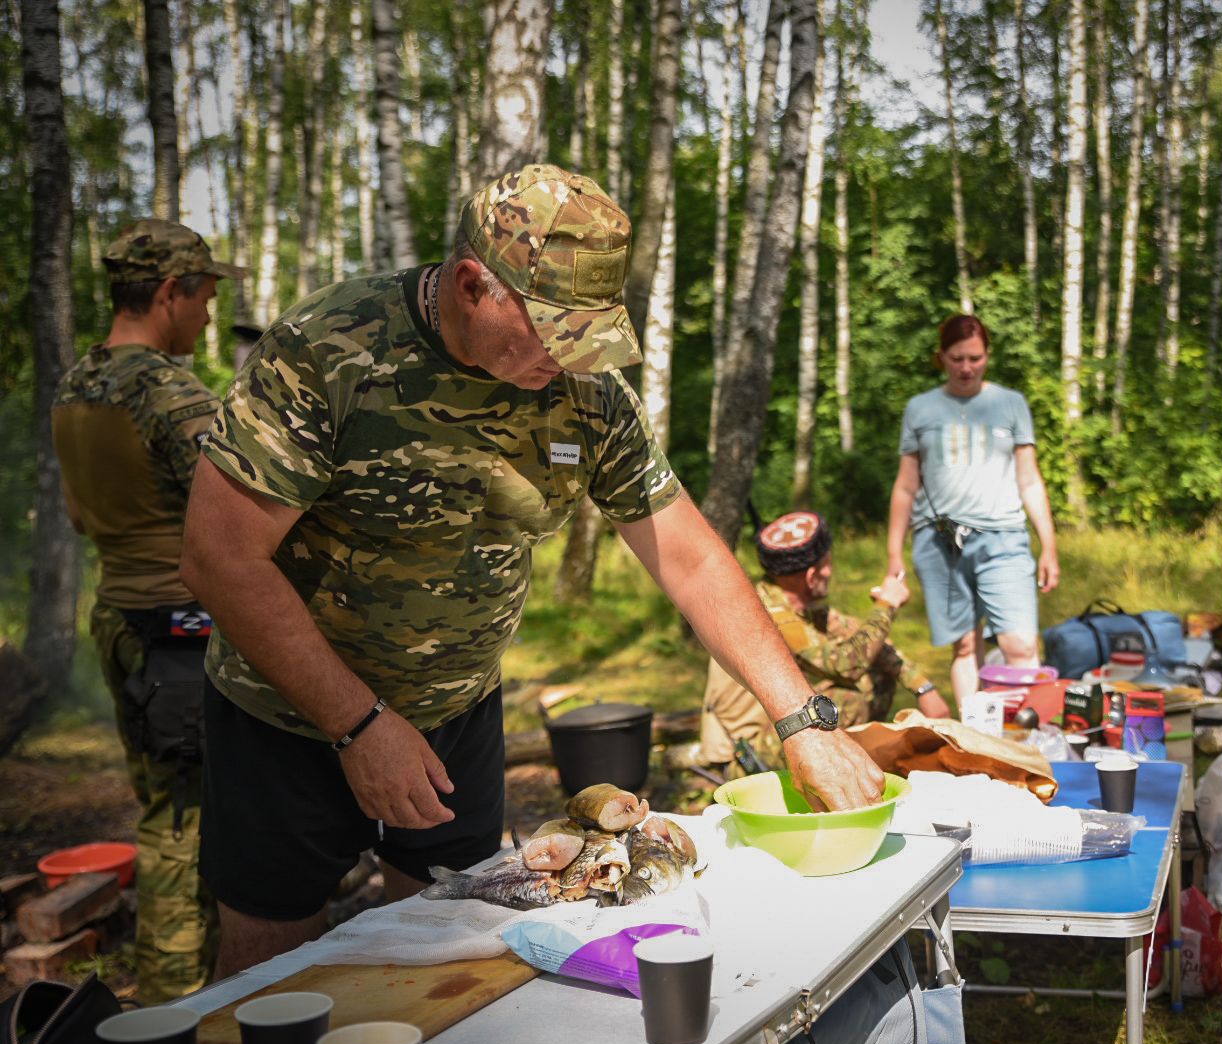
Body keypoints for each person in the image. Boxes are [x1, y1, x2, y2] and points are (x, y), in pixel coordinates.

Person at [179, 165, 884, 978]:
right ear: (475, 284)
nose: (572, 357)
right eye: (555, 331)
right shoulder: (330, 350)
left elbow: (687, 554)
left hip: (458, 713)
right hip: (287, 722)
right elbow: (220, 557)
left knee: (447, 956)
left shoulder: (584, 391)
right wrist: (359, 724)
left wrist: (802, 720)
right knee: (269, 982)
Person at [51, 219, 246, 1002]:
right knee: (184, 825)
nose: (207, 315)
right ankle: (179, 1008)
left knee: (163, 803)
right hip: (181, 633)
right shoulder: (169, 392)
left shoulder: (76, 385)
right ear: (169, 292)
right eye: (203, 296)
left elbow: (74, 515)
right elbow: (243, 508)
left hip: (120, 620)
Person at [688, 510, 951, 775]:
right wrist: (886, 606)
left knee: (873, 673)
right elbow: (846, 665)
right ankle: (842, 771)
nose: (831, 571)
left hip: (777, 723)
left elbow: (861, 638)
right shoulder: (771, 616)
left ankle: (855, 764)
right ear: (813, 576)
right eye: (828, 564)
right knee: (850, 694)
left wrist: (923, 687)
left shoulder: (794, 603)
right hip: (749, 748)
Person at [886, 313, 1060, 707]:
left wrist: (1048, 546)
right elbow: (906, 484)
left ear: (987, 356)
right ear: (941, 357)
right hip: (939, 542)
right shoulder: (920, 409)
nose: (967, 368)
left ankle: (1024, 740)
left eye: (975, 358)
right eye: (957, 358)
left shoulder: (1011, 404)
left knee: (1019, 643)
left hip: (1004, 537)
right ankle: (976, 741)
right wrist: (894, 552)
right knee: (965, 646)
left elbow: (1030, 479)